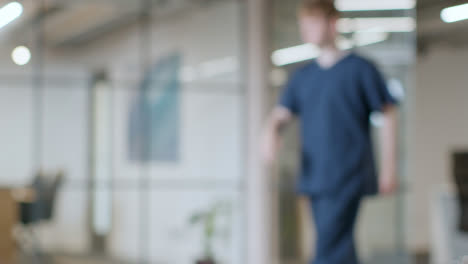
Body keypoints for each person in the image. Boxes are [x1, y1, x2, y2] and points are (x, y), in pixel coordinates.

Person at [262, 0, 399, 263]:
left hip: (349, 173)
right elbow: (280, 115)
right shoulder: (302, 77)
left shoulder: (360, 70)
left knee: (329, 245)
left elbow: (388, 112)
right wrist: (270, 133)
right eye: (303, 25)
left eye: (312, 23)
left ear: (333, 23)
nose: (306, 31)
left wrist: (389, 167)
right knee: (339, 245)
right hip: (315, 177)